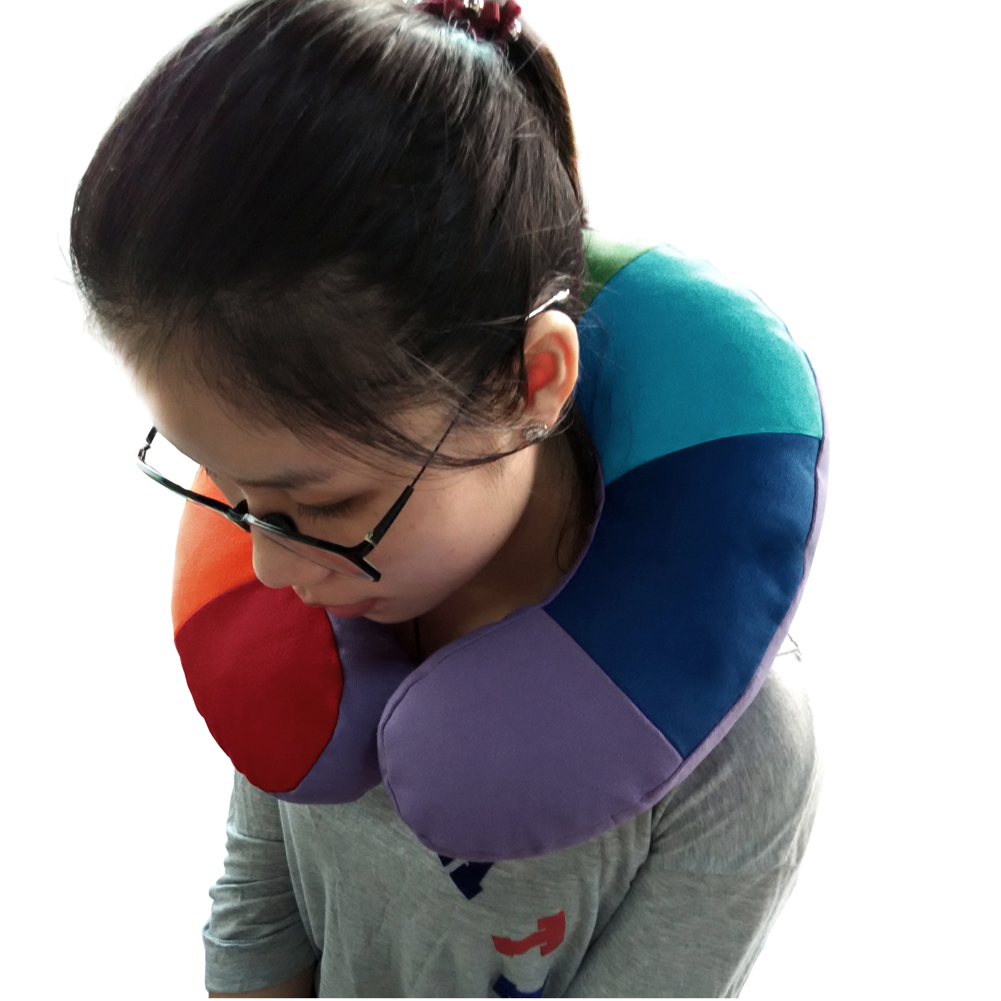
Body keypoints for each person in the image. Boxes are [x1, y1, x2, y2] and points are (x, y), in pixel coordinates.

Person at [70, 0, 827, 996]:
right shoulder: (329, 592)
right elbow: (255, 920)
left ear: (529, 383)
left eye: (321, 506)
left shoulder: (738, 753)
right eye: (231, 491)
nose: (268, 567)